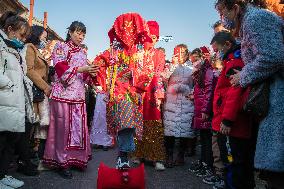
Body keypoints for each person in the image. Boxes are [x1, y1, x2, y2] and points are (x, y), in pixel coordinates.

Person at [216, 1, 284, 188]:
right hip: (271, 93)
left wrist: (243, 76)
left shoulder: (256, 18)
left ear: (235, 8)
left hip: (277, 95)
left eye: (223, 13)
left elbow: (273, 56)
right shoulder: (249, 21)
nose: (223, 19)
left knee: (275, 168)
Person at [93, 13, 152, 169]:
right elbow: (98, 63)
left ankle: (123, 155)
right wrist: (91, 71)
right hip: (118, 93)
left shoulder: (141, 50)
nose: (128, 32)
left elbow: (148, 70)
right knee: (124, 122)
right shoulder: (113, 50)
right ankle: (123, 155)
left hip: (134, 92)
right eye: (124, 28)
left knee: (129, 124)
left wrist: (135, 77)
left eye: (132, 28)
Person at [43, 21, 99, 179]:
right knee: (62, 131)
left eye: (83, 34)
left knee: (77, 131)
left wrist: (91, 73)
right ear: (70, 32)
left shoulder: (82, 52)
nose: (81, 37)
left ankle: (75, 160)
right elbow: (60, 69)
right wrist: (82, 69)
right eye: (78, 33)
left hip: (78, 96)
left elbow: (83, 76)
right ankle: (62, 162)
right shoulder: (60, 47)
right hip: (63, 96)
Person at [211, 31, 254, 189]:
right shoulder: (231, 60)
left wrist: (227, 119)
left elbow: (234, 92)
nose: (216, 53)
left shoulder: (235, 62)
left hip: (233, 124)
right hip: (231, 121)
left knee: (234, 161)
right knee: (237, 161)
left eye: (218, 50)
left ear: (227, 45)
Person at [0, 11, 31, 189]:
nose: (23, 39)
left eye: (25, 37)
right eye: (21, 35)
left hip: (15, 101)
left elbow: (22, 74)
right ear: (9, 29)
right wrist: (7, 83)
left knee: (10, 141)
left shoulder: (16, 49)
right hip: (4, 98)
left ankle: (3, 175)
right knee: (2, 140)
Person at [133, 20, 166, 171]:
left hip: (152, 94)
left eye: (154, 38)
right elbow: (132, 73)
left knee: (154, 123)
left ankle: (156, 157)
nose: (151, 40)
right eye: (148, 37)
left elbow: (158, 75)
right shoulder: (136, 54)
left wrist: (159, 95)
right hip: (138, 93)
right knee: (138, 123)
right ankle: (138, 154)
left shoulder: (159, 54)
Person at [163, 44, 195, 168]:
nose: (181, 56)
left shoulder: (193, 67)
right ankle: (169, 155)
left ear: (187, 54)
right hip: (171, 102)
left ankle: (180, 155)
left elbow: (197, 84)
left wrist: (192, 93)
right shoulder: (170, 66)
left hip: (187, 102)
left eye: (183, 53)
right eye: (178, 53)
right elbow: (164, 78)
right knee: (169, 130)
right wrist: (173, 65)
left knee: (185, 131)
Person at [24, 25, 51, 172]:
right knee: (31, 126)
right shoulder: (30, 48)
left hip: (38, 93)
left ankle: (30, 158)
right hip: (34, 91)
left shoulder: (38, 50)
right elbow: (29, 70)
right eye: (44, 37)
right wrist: (45, 86)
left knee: (35, 127)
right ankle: (25, 161)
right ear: (36, 35)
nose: (45, 40)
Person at [189, 47, 216, 178]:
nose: (194, 62)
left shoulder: (208, 70)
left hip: (204, 109)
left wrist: (206, 109)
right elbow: (200, 90)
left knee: (207, 140)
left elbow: (209, 89)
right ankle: (203, 163)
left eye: (197, 59)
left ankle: (207, 165)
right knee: (204, 138)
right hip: (200, 107)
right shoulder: (200, 70)